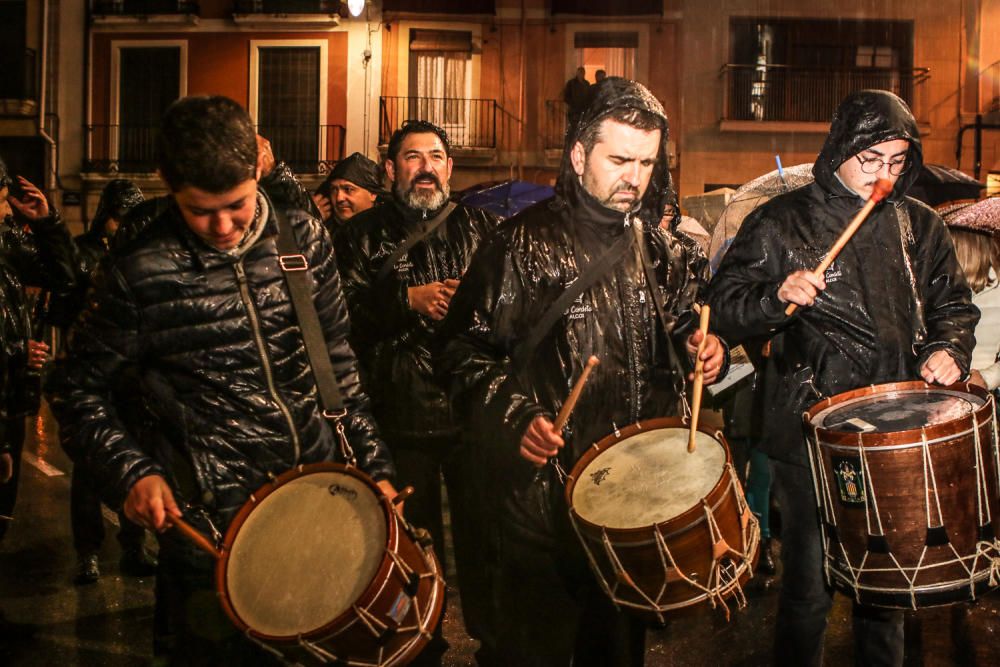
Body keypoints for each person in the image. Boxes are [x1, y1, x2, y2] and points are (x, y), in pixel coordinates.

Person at [47, 95, 396, 663]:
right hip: (208, 530)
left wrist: (375, 470)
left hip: (315, 503)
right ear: (167, 183)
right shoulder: (141, 268)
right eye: (200, 210)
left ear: (258, 169)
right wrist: (132, 472)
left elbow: (339, 368)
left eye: (236, 204)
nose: (224, 225)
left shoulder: (304, 240)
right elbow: (75, 388)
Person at [436, 77, 727, 666]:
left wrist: (703, 349)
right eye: (619, 159)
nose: (635, 176)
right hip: (540, 509)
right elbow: (460, 351)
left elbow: (679, 333)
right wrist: (516, 416)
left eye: (646, 162)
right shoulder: (519, 244)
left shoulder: (657, 248)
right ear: (578, 155)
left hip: (627, 509)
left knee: (615, 654)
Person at [707, 89, 979, 667]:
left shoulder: (921, 225)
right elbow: (725, 306)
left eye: (897, 161)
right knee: (809, 588)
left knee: (886, 589)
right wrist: (774, 296)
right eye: (871, 159)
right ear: (840, 151)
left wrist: (949, 348)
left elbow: (953, 306)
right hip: (807, 432)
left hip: (895, 431)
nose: (884, 175)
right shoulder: (779, 222)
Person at [334, 120, 499, 665]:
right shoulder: (358, 236)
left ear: (450, 168)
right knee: (410, 547)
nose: (425, 166)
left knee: (484, 539)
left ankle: (493, 638)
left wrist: (468, 309)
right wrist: (406, 299)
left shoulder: (482, 229)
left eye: (435, 156)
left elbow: (508, 316)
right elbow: (337, 322)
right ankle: (419, 642)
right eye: (412, 157)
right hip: (397, 416)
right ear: (391, 170)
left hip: (471, 413)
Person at [40, 179, 157, 584]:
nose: (122, 226)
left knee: (137, 463)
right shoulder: (86, 253)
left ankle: (133, 545)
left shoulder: (140, 255)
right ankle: (87, 552)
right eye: (118, 218)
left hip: (133, 381)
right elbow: (66, 292)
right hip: (96, 373)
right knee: (90, 472)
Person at [0, 160, 78, 639]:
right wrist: (12, 347)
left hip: (11, 393)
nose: (4, 203)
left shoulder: (8, 244)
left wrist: (48, 222)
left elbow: (63, 278)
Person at [313, 151, 382, 232]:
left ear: (373, 193)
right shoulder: (322, 228)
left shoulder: (388, 232)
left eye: (348, 189)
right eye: (334, 190)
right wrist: (311, 223)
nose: (339, 198)